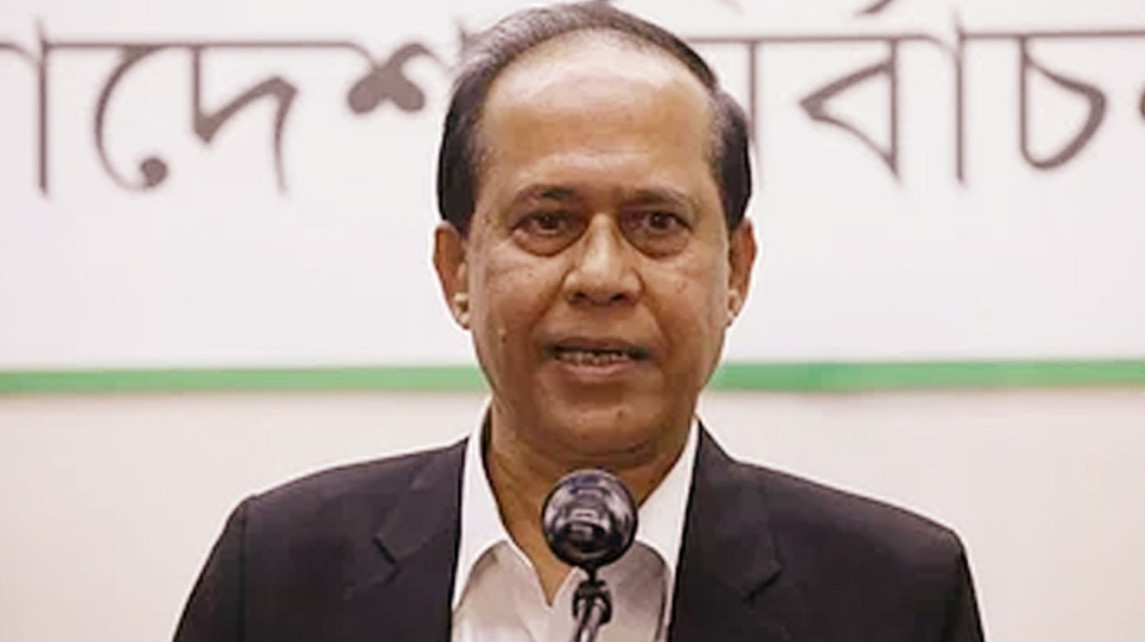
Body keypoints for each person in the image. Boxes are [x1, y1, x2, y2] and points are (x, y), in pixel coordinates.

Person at [174, 3, 984, 641]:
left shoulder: (896, 595)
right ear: (457, 271)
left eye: (657, 223)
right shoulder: (277, 572)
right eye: (548, 221)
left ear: (735, 270)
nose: (601, 276)